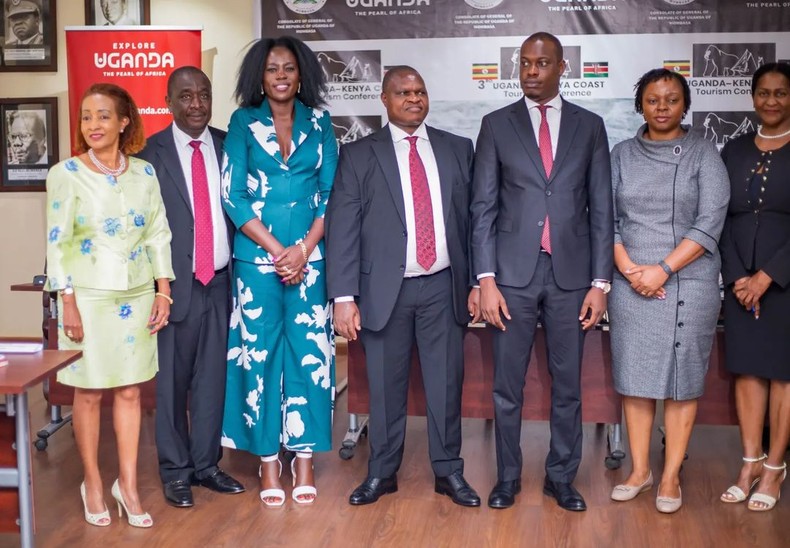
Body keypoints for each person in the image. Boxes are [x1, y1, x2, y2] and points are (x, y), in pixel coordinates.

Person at [326, 65, 481, 508]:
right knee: (385, 387)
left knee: (446, 385)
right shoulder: (358, 155)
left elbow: (473, 222)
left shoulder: (457, 148)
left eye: (419, 91)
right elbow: (343, 230)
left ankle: (449, 472)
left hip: (442, 286)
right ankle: (382, 473)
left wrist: (475, 281)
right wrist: (343, 297)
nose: (413, 99)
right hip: (382, 293)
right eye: (403, 92)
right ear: (384, 99)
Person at [471, 32, 613, 512]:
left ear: (561, 69)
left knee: (567, 384)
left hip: (572, 277)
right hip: (511, 277)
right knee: (507, 385)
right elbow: (483, 208)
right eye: (525, 63)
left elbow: (602, 209)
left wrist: (600, 283)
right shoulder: (495, 125)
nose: (531, 71)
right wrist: (485, 279)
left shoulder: (590, 126)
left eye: (541, 63)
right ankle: (508, 478)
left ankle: (561, 478)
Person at [45, 83, 174, 528]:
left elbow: (158, 233)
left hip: (137, 296)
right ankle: (94, 484)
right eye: (86, 117)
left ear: (124, 121)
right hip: (87, 299)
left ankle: (129, 485)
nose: (92, 125)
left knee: (131, 391)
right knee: (88, 392)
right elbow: (57, 243)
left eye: (103, 116)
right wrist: (68, 303)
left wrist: (162, 290)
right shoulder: (66, 173)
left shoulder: (145, 173)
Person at [220, 36, 337, 507]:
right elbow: (233, 196)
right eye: (272, 69)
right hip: (257, 264)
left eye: (289, 68)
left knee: (310, 356)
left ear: (302, 73)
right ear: (259, 77)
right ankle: (268, 458)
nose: (281, 76)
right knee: (259, 356)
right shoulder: (242, 122)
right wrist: (277, 252)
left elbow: (331, 193)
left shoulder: (322, 123)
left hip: (310, 263)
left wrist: (304, 249)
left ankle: (303, 457)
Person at [607, 68, 729, 513]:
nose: (662, 108)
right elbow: (606, 219)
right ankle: (640, 472)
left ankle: (671, 474)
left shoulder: (703, 153)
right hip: (630, 280)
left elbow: (711, 219)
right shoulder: (620, 154)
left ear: (685, 104)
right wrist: (629, 269)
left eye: (671, 100)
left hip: (688, 280)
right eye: (653, 100)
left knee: (682, 384)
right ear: (640, 104)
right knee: (635, 381)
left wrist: (662, 269)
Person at [137, 66, 244, 508]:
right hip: (173, 287)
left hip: (220, 282)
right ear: (168, 102)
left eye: (204, 95)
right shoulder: (148, 155)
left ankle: (206, 464)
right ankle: (175, 471)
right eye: (186, 96)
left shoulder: (229, 146)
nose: (197, 104)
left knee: (211, 381)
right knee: (172, 385)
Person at [719, 62, 790, 512]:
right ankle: (749, 462)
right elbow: (719, 216)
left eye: (780, 93)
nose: (770, 101)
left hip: (784, 282)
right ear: (752, 97)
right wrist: (737, 277)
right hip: (739, 279)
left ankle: (776, 468)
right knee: (746, 370)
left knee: (783, 373)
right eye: (763, 92)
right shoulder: (734, 148)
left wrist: (768, 275)